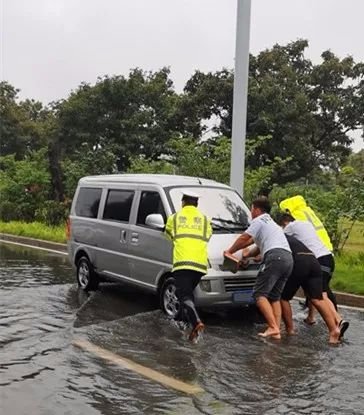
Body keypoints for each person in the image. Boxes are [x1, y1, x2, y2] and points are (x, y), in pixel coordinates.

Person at [224, 197, 293, 339]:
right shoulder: (271, 223)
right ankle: (277, 329)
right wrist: (246, 256)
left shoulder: (258, 221)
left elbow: (244, 238)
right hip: (288, 259)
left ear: (256, 209)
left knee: (259, 294)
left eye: (251, 209)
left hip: (274, 257)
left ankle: (273, 327)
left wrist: (229, 251)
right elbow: (251, 242)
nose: (251, 212)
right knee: (274, 296)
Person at [278, 213, 349, 338]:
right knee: (314, 291)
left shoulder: (290, 227)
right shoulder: (306, 224)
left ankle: (338, 321)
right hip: (328, 257)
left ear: (284, 222)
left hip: (317, 259)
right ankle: (311, 317)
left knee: (322, 294)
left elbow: (280, 238)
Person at [164, 191, 212, 342]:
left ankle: (196, 322)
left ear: (183, 202)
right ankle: (185, 328)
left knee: (183, 296)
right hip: (199, 266)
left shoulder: (175, 218)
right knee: (188, 295)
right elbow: (208, 235)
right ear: (196, 204)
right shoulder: (205, 219)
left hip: (182, 263)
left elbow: (168, 234)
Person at [279, 234, 341, 344]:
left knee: (283, 298)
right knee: (317, 299)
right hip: (313, 260)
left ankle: (290, 330)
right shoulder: (287, 236)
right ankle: (334, 330)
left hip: (300, 262)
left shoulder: (272, 236)